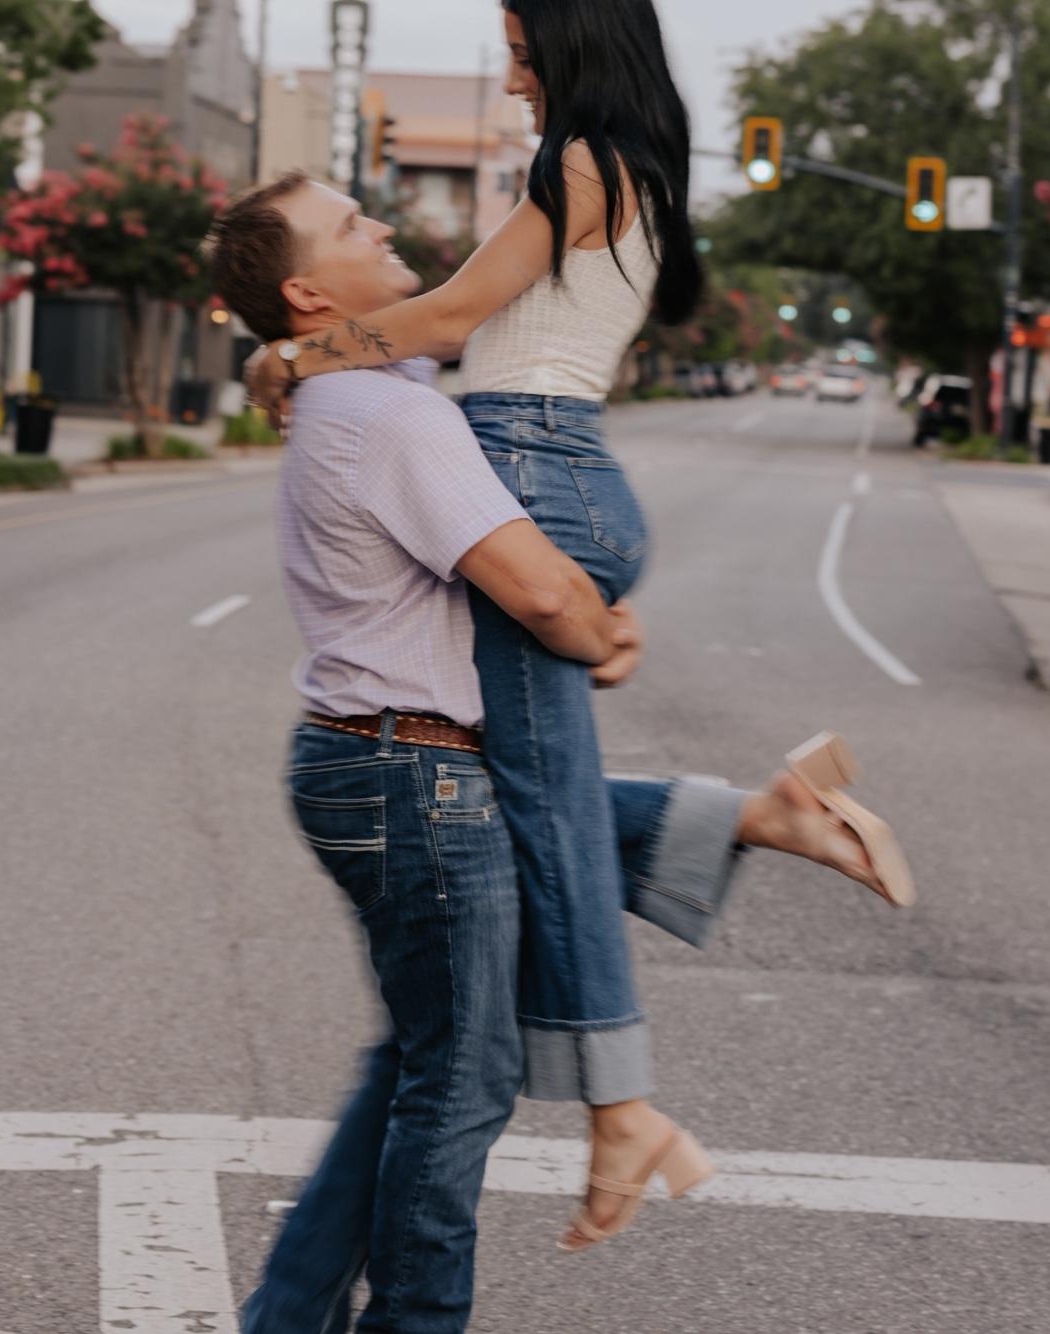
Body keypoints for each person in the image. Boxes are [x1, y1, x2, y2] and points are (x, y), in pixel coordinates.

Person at [246, 0, 914, 1255]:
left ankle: (621, 1102)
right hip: (555, 463)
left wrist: (295, 357)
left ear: (571, 35)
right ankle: (761, 822)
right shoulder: (618, 162)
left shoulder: (586, 162)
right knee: (509, 789)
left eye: (518, 48)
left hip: (530, 459)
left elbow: (451, 318)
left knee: (537, 806)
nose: (510, 74)